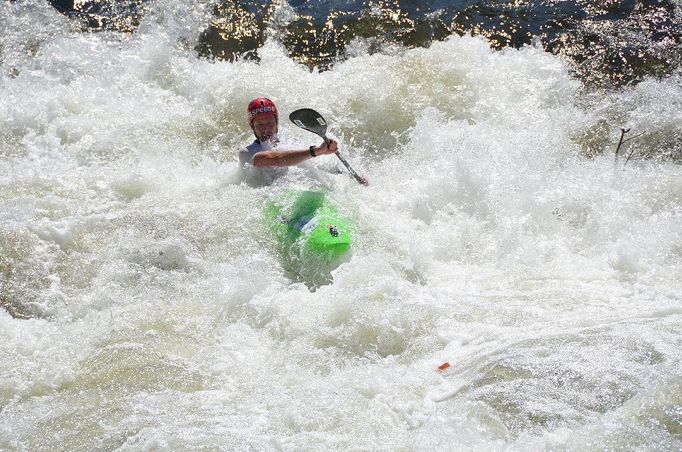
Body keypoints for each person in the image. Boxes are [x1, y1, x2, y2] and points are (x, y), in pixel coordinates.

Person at [239, 97, 339, 185]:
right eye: (260, 124)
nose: (266, 129)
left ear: (276, 122)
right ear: (252, 126)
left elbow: (315, 166)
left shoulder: (290, 141)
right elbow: (272, 159)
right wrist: (316, 151)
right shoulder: (246, 153)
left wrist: (327, 152)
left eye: (270, 123)